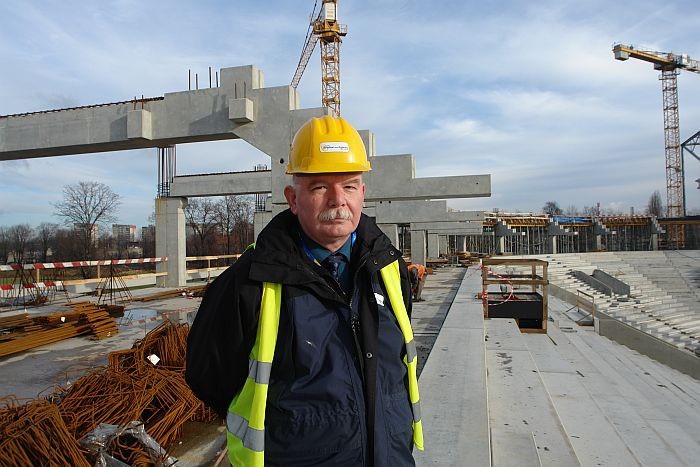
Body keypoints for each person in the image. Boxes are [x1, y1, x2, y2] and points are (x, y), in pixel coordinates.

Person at [186, 116, 424, 466]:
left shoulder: (389, 270)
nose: (337, 200)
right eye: (318, 187)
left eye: (350, 185)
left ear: (363, 193)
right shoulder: (248, 283)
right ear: (292, 199)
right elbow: (210, 378)